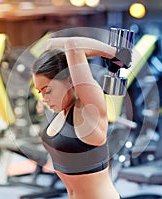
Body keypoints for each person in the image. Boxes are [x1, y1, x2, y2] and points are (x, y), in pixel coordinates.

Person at [31, 36, 121, 199]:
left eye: (48, 90)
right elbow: (51, 44)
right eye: (40, 92)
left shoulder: (88, 110)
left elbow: (73, 46)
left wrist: (116, 54)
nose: (44, 99)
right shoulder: (63, 112)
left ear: (71, 80)